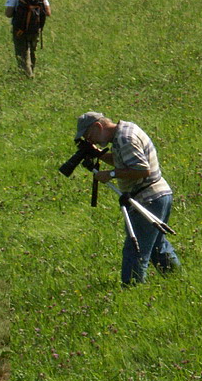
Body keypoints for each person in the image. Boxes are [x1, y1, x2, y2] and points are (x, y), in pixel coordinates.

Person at [74, 112, 182, 285]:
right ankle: (178, 281)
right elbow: (124, 161)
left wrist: (110, 174)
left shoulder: (125, 138)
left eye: (89, 135)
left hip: (148, 198)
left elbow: (141, 169)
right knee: (156, 245)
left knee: (136, 249)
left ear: (97, 127)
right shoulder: (123, 132)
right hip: (159, 195)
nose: (90, 140)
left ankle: (132, 289)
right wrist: (99, 154)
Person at [5, 0, 51, 78]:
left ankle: (26, 77)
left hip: (20, 28)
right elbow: (48, 12)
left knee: (22, 53)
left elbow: (8, 13)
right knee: (32, 51)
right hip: (35, 27)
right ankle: (32, 72)